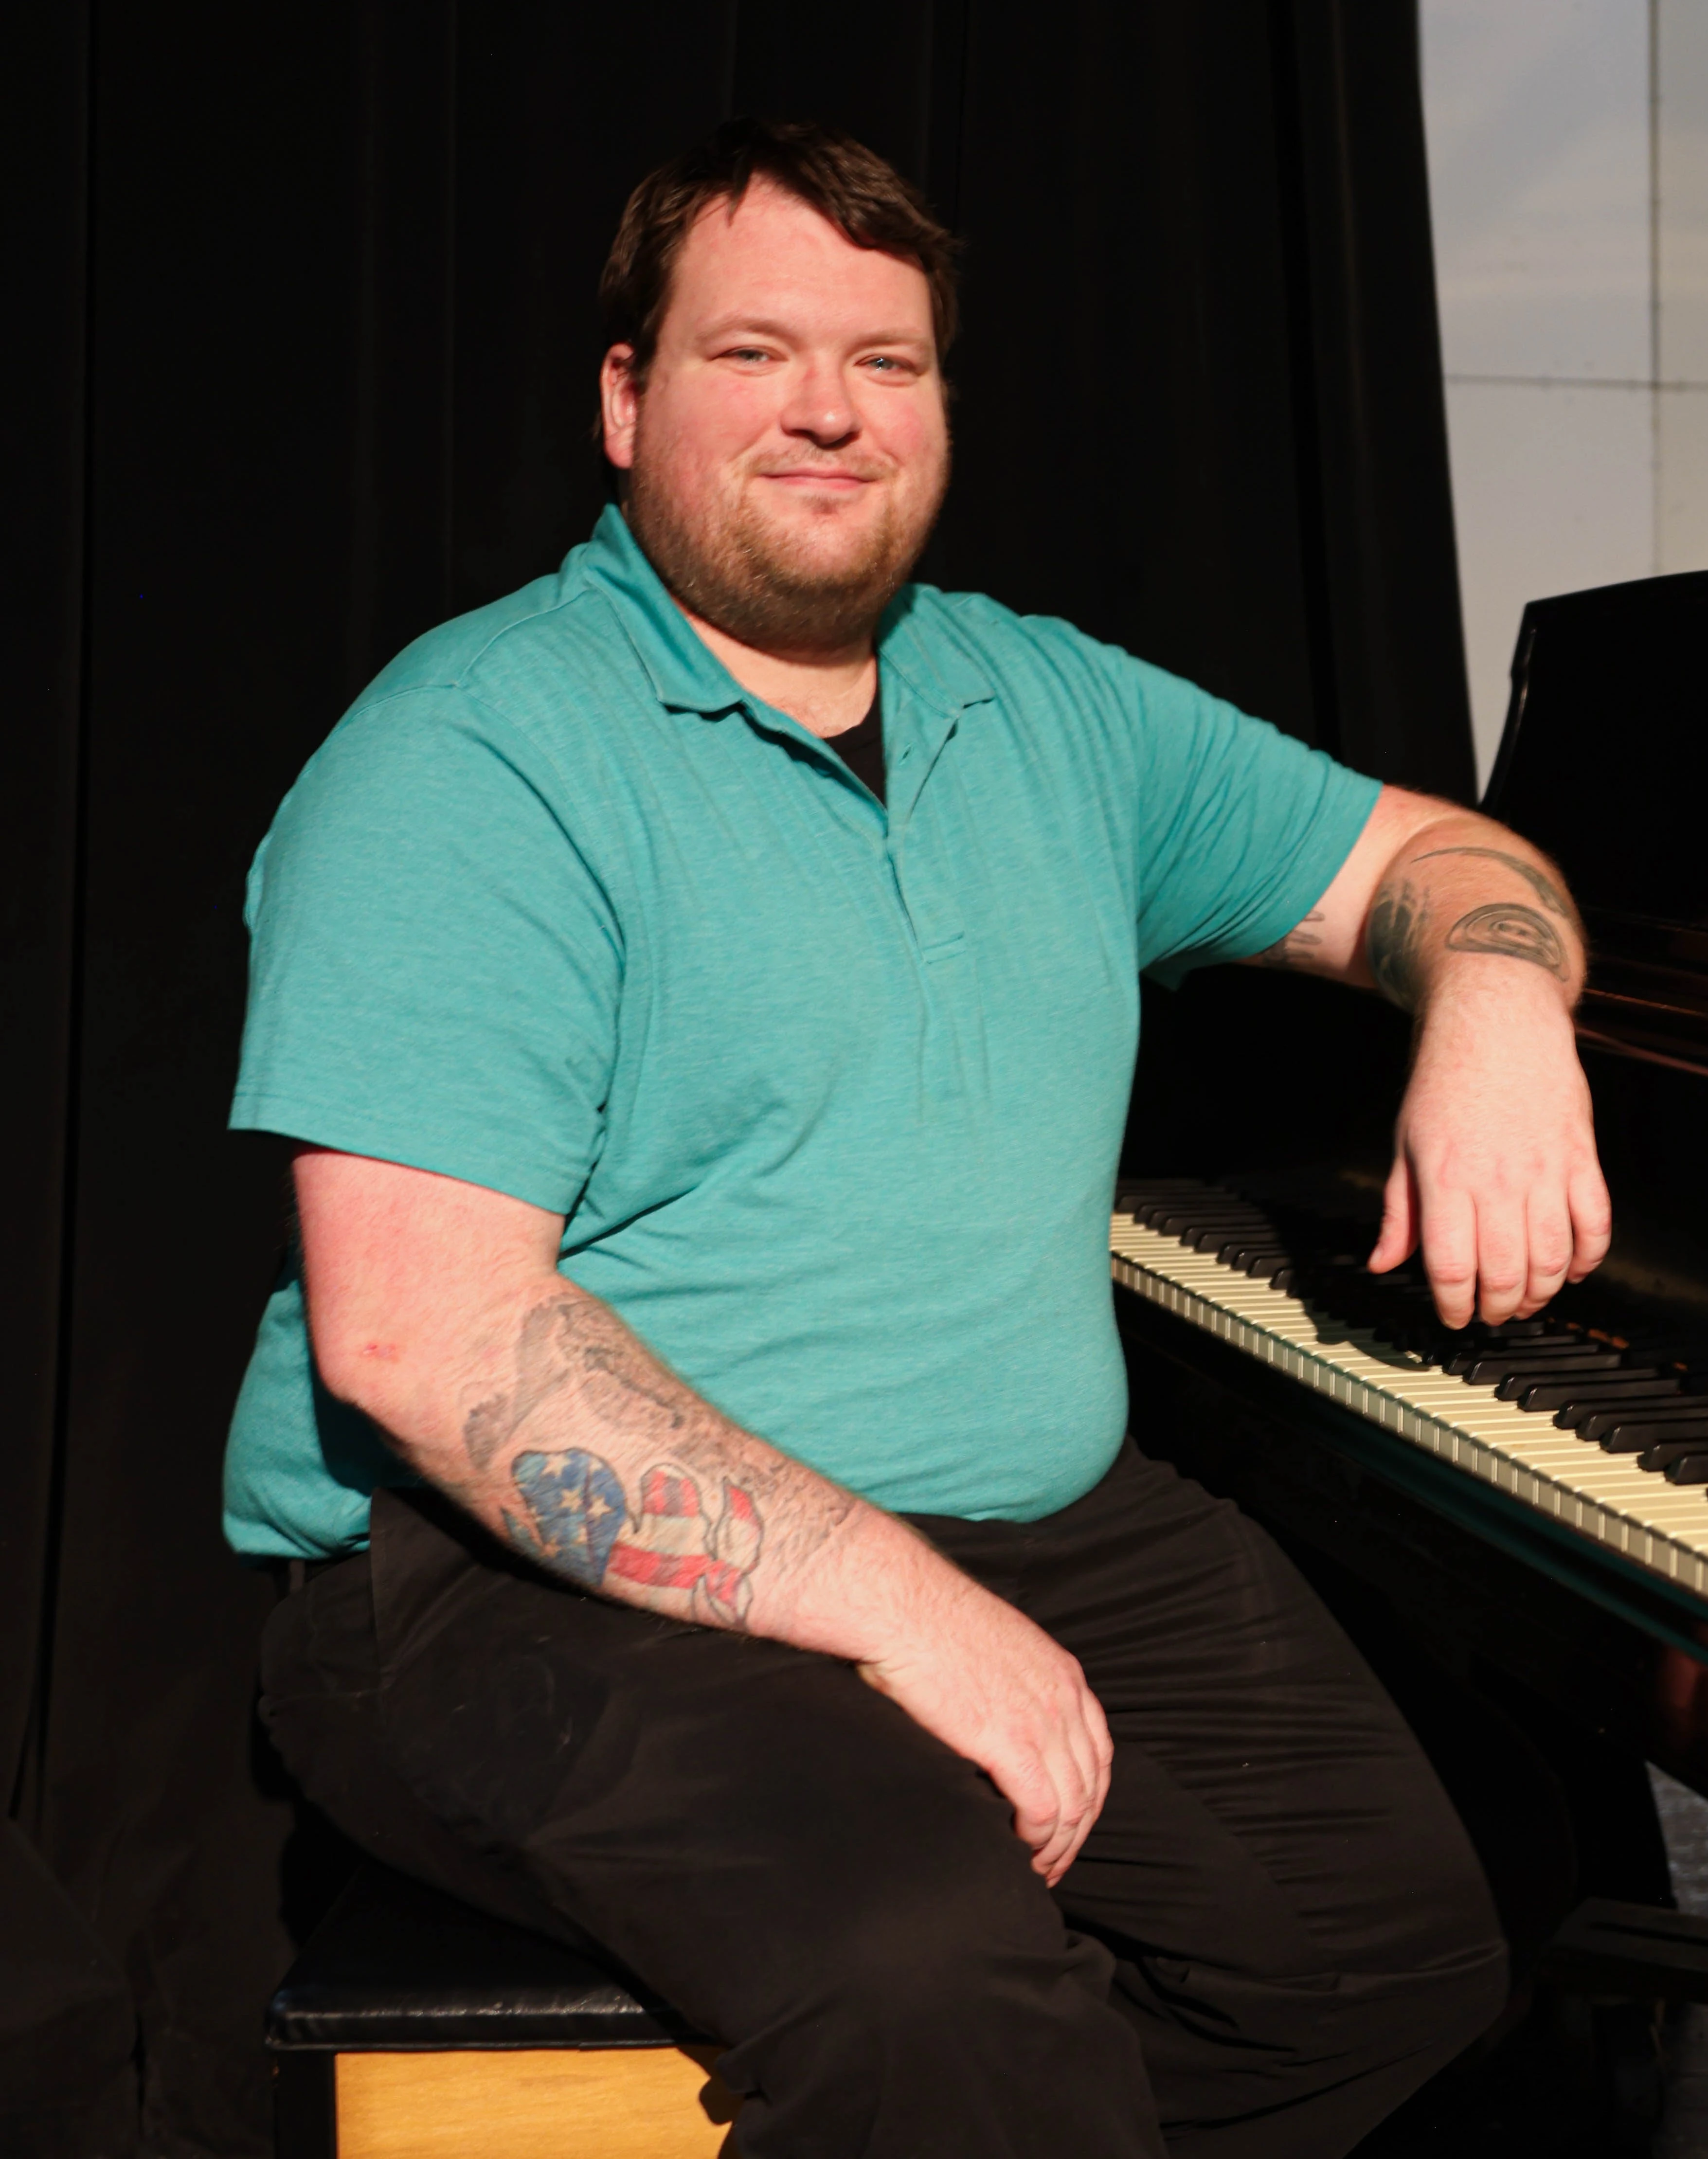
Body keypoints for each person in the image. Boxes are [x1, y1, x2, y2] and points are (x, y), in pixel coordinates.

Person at [234, 117, 1612, 2157]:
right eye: (752, 353)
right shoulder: (469, 752)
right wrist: (891, 1599)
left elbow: (1441, 854)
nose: (828, 410)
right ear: (623, 400)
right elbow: (425, 1344)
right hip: (503, 1563)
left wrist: (1496, 1001)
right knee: (936, 1993)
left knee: (1396, 1946)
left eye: (885, 362)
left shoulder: (1045, 708)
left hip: (1036, 1520)